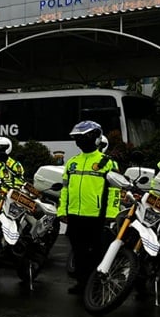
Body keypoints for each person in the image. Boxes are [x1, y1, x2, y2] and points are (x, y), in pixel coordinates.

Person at [58, 121, 121, 296]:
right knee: (78, 252)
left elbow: (115, 192)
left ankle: (95, 284)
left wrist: (111, 214)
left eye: (84, 138)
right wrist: (62, 211)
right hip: (74, 215)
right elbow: (65, 190)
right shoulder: (72, 163)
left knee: (96, 253)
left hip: (97, 217)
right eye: (78, 139)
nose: (80, 142)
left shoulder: (108, 163)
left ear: (96, 138)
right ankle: (82, 283)